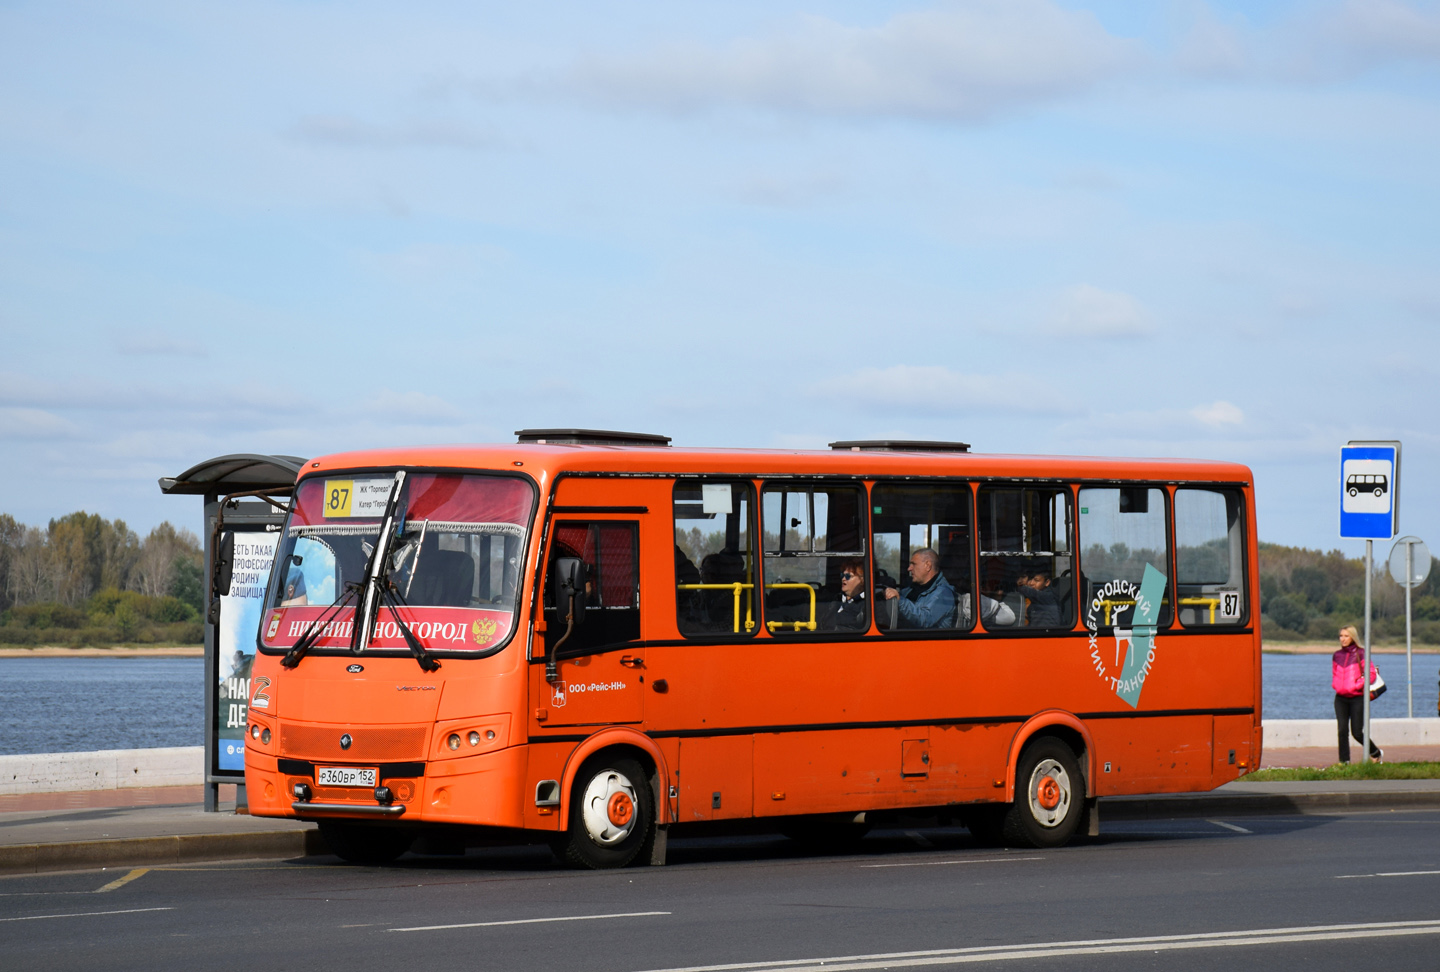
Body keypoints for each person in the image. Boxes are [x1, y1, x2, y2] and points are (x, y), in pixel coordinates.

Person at [1332, 625, 1382, 763]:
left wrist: (1357, 685)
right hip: (1340, 698)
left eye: (1346, 636)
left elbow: (1371, 675)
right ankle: (1344, 762)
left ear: (1352, 637)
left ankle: (1376, 753)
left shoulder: (1361, 654)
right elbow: (1335, 673)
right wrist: (1336, 685)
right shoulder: (1337, 655)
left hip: (1357, 698)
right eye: (1341, 636)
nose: (1343, 639)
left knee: (1357, 732)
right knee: (1342, 731)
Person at [883, 548, 956, 628]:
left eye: (913, 564)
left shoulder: (944, 593)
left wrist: (900, 600)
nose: (909, 568)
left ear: (928, 566)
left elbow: (924, 619)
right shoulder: (912, 589)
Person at [819, 559, 868, 632]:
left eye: (848, 576)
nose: (843, 579)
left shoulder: (870, 603)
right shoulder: (836, 599)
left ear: (862, 580)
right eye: (842, 575)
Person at [1016, 561, 1062, 628]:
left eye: (1036, 580)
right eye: (1030, 580)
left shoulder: (1048, 596)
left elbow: (1031, 592)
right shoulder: (1034, 599)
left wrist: (1017, 586)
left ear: (1047, 582)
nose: (1031, 583)